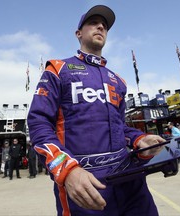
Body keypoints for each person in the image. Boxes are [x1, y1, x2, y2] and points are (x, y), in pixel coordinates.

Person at [27, 5, 165, 215]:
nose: (101, 26)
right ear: (78, 33)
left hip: (131, 180)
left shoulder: (117, 80)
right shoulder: (57, 69)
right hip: (85, 183)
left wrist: (140, 140)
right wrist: (68, 171)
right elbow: (38, 124)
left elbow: (121, 127)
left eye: (105, 26)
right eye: (93, 22)